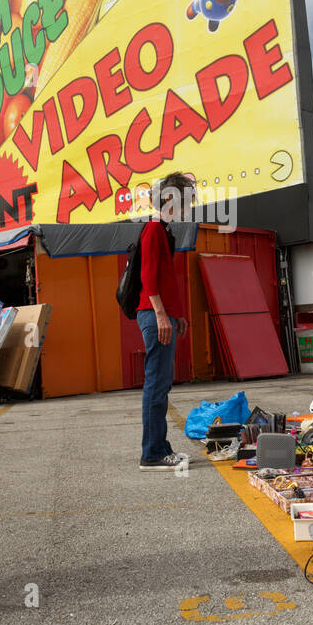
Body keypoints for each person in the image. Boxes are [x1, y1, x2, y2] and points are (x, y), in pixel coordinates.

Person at [136, 172, 192, 471]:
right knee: (156, 385)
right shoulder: (154, 229)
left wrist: (177, 314)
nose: (189, 203)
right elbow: (147, 276)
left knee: (161, 384)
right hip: (153, 314)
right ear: (169, 197)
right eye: (186, 197)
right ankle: (152, 454)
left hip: (163, 314)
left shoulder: (164, 230)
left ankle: (160, 447)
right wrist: (160, 314)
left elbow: (166, 279)